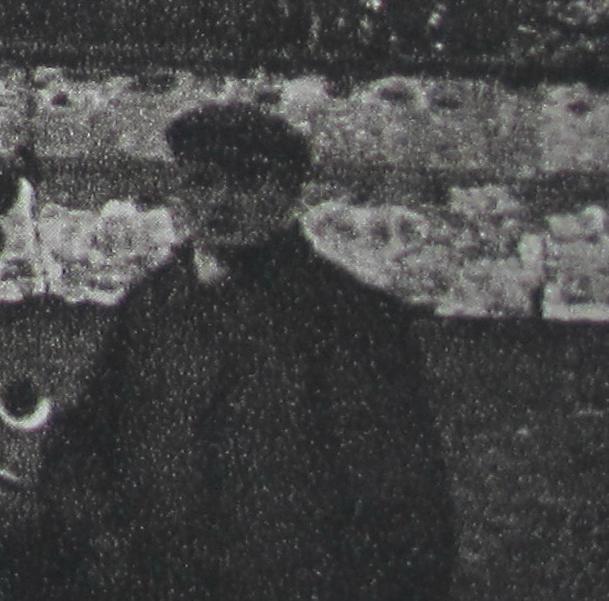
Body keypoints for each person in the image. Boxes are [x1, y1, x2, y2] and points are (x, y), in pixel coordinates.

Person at [39, 101, 455, 601]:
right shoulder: (150, 307)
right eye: (203, 182)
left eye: (248, 182)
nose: (222, 201)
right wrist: (106, 548)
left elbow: (404, 508)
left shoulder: (354, 320)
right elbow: (83, 445)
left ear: (288, 195)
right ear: (179, 191)